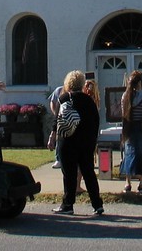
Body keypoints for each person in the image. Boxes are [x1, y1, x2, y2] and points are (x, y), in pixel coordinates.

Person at [52, 70, 104, 216]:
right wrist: (93, 140)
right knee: (88, 173)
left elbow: (56, 120)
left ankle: (68, 204)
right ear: (82, 84)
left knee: (69, 174)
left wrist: (53, 136)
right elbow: (95, 122)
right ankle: (97, 204)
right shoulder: (89, 101)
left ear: (68, 83)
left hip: (67, 140)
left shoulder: (63, 98)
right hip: (86, 142)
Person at [48, 84, 64, 169]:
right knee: (59, 137)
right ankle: (58, 159)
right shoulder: (59, 90)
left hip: (72, 119)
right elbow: (52, 102)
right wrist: (56, 113)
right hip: (60, 118)